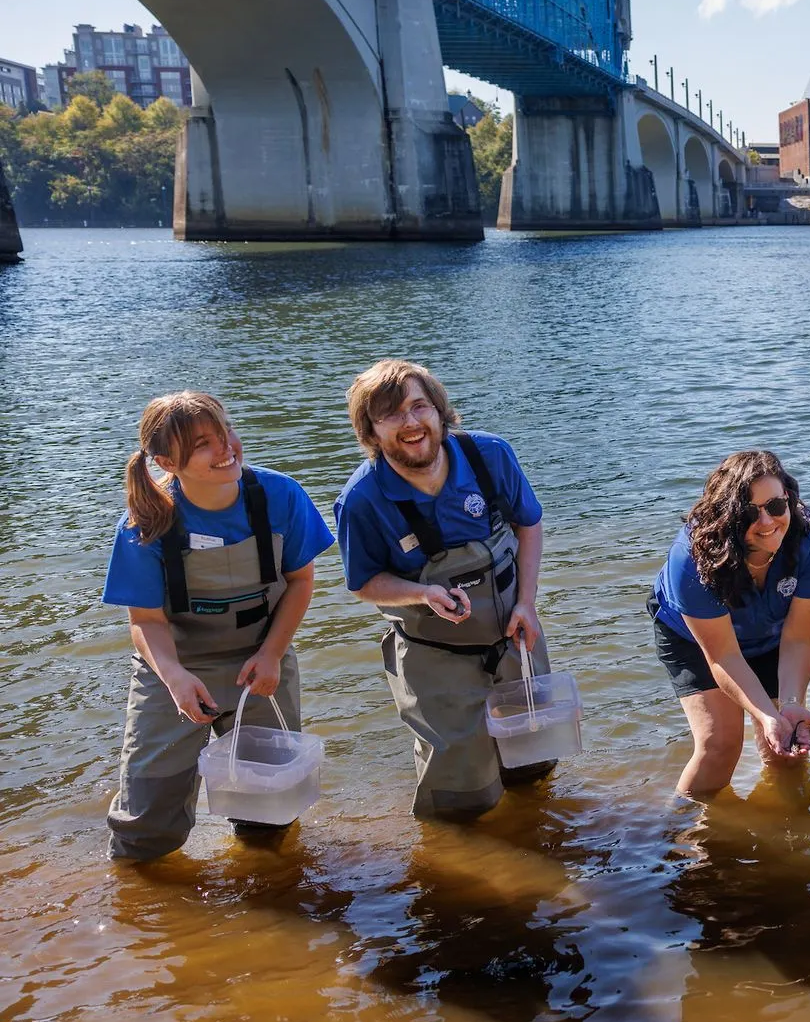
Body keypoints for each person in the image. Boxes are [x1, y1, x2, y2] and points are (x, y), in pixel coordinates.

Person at [101, 392, 333, 859]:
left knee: (269, 814)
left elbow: (301, 582)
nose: (225, 447)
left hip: (261, 658)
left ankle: (267, 896)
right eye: (203, 443)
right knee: (146, 820)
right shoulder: (145, 522)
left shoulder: (279, 495)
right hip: (174, 669)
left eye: (225, 431)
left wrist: (270, 655)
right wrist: (175, 679)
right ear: (167, 460)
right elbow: (145, 621)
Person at [334, 360, 554, 820]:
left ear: (440, 411)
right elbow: (364, 584)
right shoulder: (360, 500)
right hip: (435, 654)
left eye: (420, 407)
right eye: (391, 414)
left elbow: (528, 524)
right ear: (371, 432)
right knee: (461, 798)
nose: (411, 423)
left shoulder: (489, 455)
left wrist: (528, 604)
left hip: (515, 635)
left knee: (533, 767)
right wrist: (421, 593)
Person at [650, 451, 810, 795]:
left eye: (776, 507)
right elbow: (723, 656)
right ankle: (681, 833)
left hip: (774, 633)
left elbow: (799, 638)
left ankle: (786, 829)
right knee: (720, 745)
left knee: (786, 744)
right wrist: (764, 714)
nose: (767, 522)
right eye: (749, 513)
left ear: (789, 500)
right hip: (697, 639)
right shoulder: (690, 558)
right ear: (726, 517)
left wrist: (790, 704)